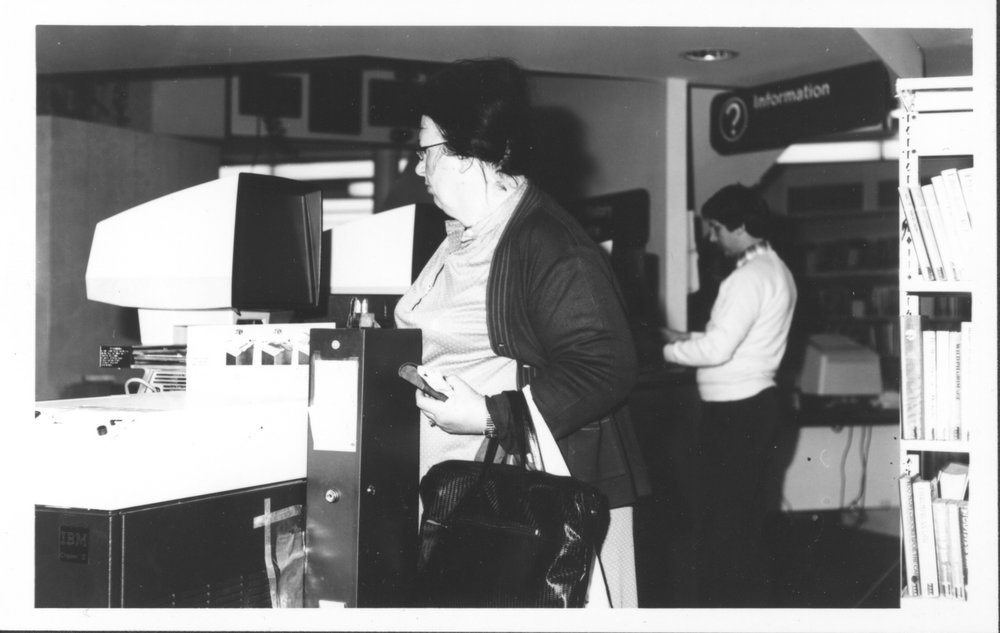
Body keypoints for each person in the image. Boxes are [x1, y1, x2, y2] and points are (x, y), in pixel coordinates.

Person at [394, 57, 650, 608]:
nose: (417, 167)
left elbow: (606, 364)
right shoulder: (465, 235)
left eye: (424, 150)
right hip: (466, 490)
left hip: (527, 500)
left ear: (466, 155)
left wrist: (491, 415)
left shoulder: (547, 242)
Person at [661, 183, 797, 607]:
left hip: (735, 415)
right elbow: (738, 341)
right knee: (742, 522)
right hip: (755, 409)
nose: (711, 237)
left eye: (716, 227)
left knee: (721, 527)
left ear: (738, 226)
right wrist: (689, 337)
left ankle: (721, 610)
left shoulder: (746, 279)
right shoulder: (775, 270)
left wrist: (663, 349)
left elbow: (718, 351)